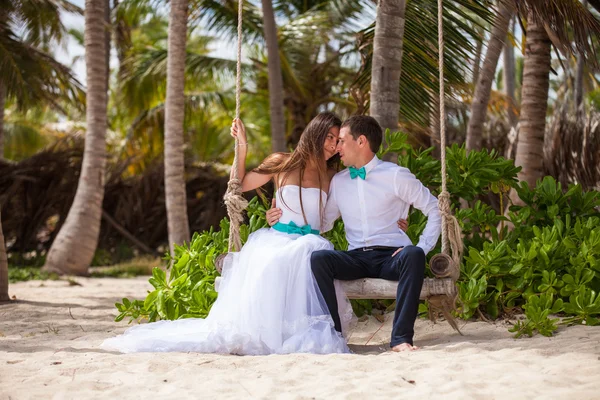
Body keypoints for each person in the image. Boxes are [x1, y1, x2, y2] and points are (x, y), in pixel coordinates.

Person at [103, 113, 355, 355]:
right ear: (315, 133)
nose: (333, 145)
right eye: (329, 137)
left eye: (337, 140)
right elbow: (239, 183)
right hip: (278, 240)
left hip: (309, 242)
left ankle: (294, 332)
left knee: (310, 254)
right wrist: (242, 145)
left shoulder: (332, 176)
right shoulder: (282, 163)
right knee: (280, 261)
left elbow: (326, 218)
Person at [266, 115, 441, 352]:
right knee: (319, 259)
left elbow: (434, 208)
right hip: (356, 257)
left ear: (361, 141)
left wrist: (422, 245)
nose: (337, 148)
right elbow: (323, 223)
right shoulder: (338, 181)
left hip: (391, 255)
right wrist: (281, 215)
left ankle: (401, 339)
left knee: (414, 255)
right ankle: (335, 336)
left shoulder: (396, 175)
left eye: (341, 140)